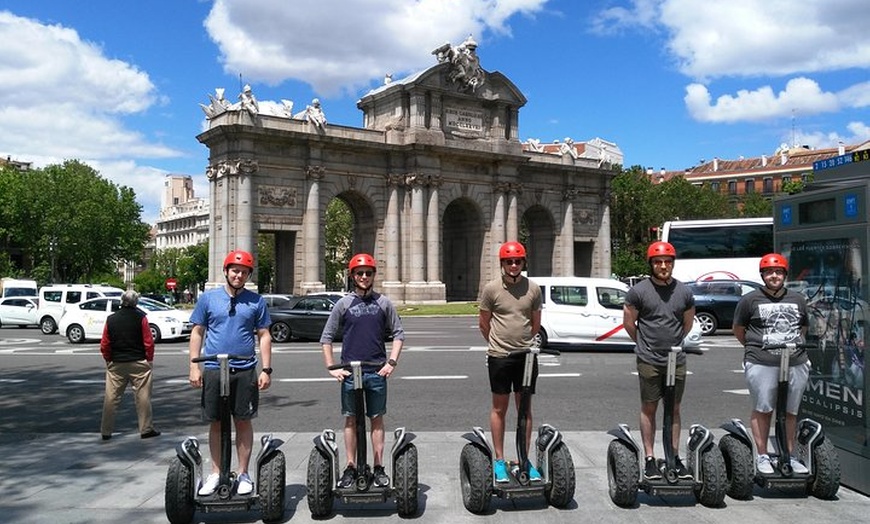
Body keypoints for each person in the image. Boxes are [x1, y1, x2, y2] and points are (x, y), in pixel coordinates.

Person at [189, 250, 273, 496]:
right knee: (216, 421)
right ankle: (215, 473)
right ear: (226, 271)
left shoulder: (256, 301)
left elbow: (264, 335)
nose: (239, 275)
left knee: (243, 420)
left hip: (244, 368)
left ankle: (244, 473)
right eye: (235, 270)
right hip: (214, 368)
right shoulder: (208, 299)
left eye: (244, 272)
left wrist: (266, 369)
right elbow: (197, 332)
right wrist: (195, 365)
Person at [320, 253, 405, 489]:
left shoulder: (383, 303)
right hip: (349, 372)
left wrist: (391, 362)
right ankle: (350, 466)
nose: (364, 277)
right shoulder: (344, 304)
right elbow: (326, 337)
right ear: (352, 276)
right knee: (350, 420)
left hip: (376, 371)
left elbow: (399, 334)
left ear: (374, 275)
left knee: (376, 419)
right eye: (360, 273)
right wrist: (331, 367)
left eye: (368, 273)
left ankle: (378, 467)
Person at [623, 241, 695, 481]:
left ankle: (673, 456)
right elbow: (629, 323)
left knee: (674, 409)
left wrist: (673, 344)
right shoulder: (638, 292)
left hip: (677, 358)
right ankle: (650, 458)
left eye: (667, 262)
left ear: (673, 264)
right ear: (651, 264)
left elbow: (687, 324)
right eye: (658, 262)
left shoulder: (684, 292)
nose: (663, 266)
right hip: (649, 359)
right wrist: (645, 345)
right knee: (650, 407)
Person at [732, 253, 810, 475]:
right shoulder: (750, 300)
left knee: (791, 411)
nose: (774, 276)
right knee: (763, 408)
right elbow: (739, 330)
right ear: (763, 275)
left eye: (778, 272)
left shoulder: (798, 299)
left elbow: (803, 327)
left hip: (796, 361)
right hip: (761, 361)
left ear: (784, 274)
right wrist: (755, 349)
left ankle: (790, 454)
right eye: (769, 272)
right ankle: (763, 455)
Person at [478, 241, 543, 483]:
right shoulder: (491, 289)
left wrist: (523, 343)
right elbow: (484, 323)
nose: (513, 265)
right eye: (509, 261)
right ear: (502, 264)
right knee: (499, 408)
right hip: (500, 357)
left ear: (523, 263)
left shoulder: (533, 289)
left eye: (517, 261)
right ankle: (499, 460)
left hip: (525, 356)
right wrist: (498, 344)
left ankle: (524, 459)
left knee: (525, 408)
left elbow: (535, 323)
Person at [99, 290, 160, 440]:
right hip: (138, 362)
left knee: (111, 398)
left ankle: (106, 431)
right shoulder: (141, 318)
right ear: (136, 303)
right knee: (143, 397)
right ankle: (146, 429)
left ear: (122, 301)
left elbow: (105, 343)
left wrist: (108, 359)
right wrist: (149, 360)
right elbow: (148, 342)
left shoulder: (111, 319)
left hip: (116, 362)